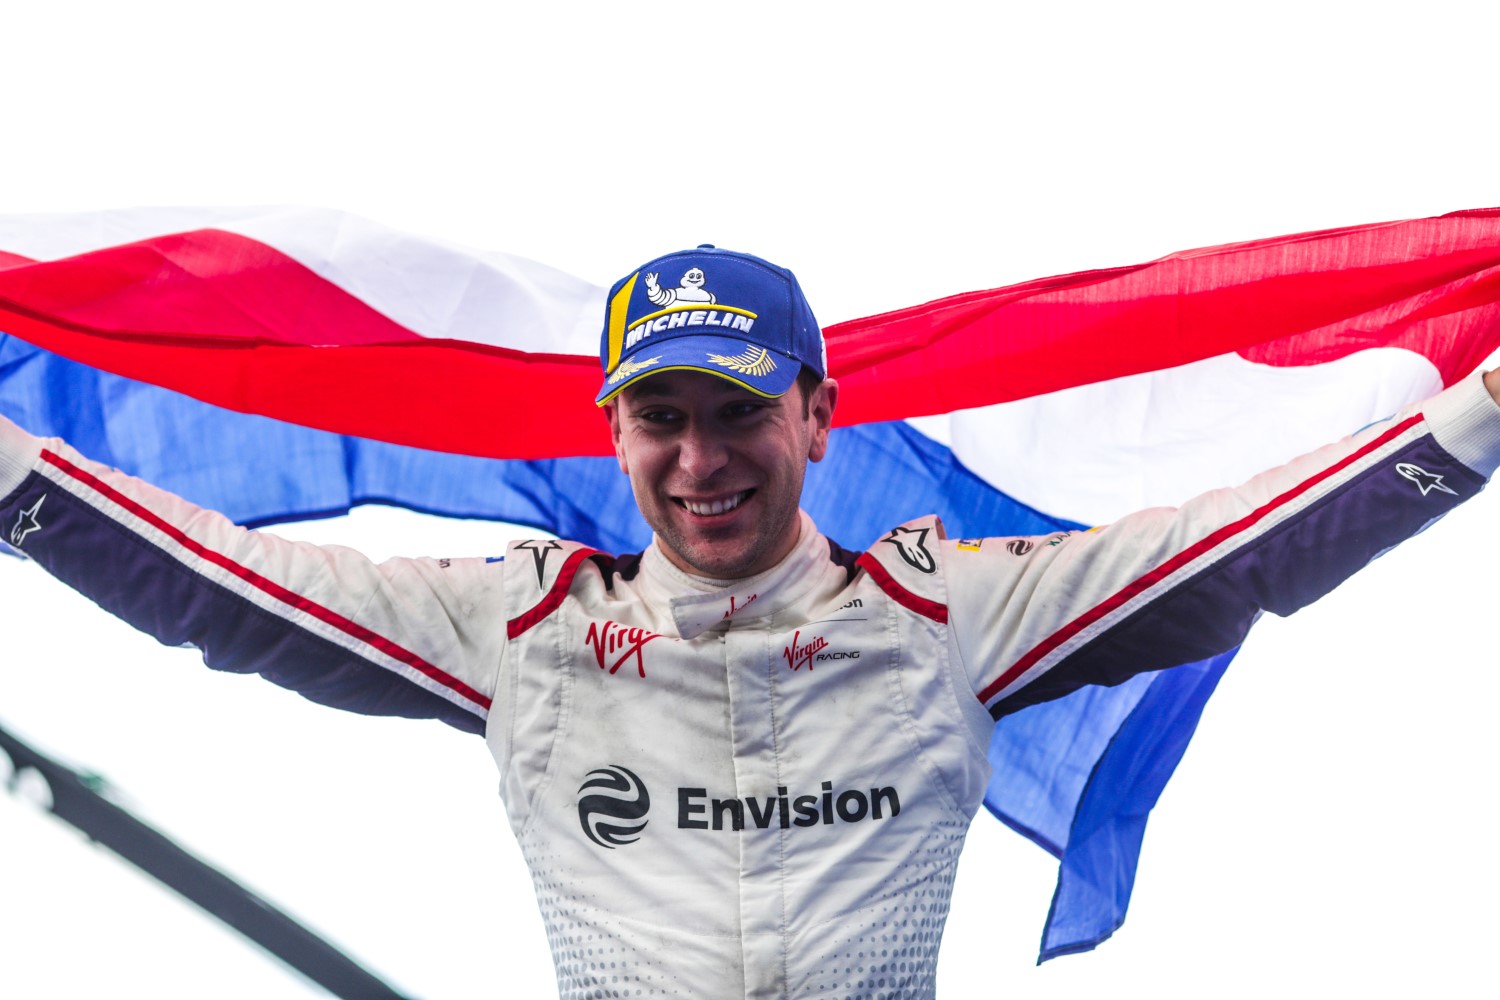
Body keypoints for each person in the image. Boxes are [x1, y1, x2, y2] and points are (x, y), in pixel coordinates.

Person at [2, 245, 1498, 999]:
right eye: (661, 418)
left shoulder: (950, 612)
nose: (700, 460)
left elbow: (1241, 551)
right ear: (614, 433)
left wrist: (1479, 415)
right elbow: (225, 593)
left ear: (819, 416)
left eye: (738, 415)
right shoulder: (525, 636)